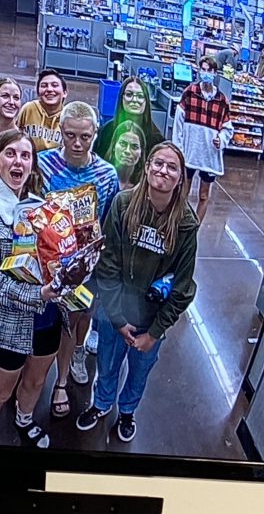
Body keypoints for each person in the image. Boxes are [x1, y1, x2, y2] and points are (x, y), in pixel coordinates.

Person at [76, 142, 199, 442]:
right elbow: (107, 266)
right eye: (158, 163)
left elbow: (182, 288)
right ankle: (102, 403)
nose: (163, 171)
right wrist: (117, 319)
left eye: (172, 167)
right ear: (146, 167)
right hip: (114, 312)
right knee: (106, 363)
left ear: (181, 178)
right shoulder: (123, 203)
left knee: (139, 372)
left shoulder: (186, 223)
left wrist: (154, 333)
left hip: (150, 320)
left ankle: (127, 411)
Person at [0, 129, 63, 447]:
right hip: (5, 324)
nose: (18, 161)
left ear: (32, 165)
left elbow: (51, 258)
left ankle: (24, 419)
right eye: (10, 153)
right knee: (0, 390)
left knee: (35, 382)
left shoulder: (40, 208)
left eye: (25, 155)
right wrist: (37, 294)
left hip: (46, 319)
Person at [36, 101, 119, 419]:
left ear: (96, 134)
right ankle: (33, 377)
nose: (77, 144)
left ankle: (62, 379)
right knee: (41, 323)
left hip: (84, 268)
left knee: (75, 322)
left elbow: (107, 222)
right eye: (70, 135)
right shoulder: (42, 164)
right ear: (60, 132)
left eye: (85, 137)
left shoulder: (106, 174)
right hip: (43, 264)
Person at [172, 55, 235, 223]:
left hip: (209, 154)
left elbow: (228, 128)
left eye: (209, 70)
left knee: (204, 195)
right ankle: (179, 221)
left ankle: (195, 227)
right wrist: (178, 148)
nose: (206, 73)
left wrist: (221, 139)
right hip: (190, 152)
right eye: (203, 70)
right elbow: (178, 122)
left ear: (215, 73)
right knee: (183, 192)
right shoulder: (190, 93)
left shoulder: (222, 100)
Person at [93, 76, 164, 165]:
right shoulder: (107, 130)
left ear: (146, 101)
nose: (134, 100)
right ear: (121, 98)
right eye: (129, 95)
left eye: (140, 96)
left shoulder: (156, 138)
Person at [17, 68, 68, 151]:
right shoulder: (28, 109)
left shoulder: (68, 117)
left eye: (54, 85)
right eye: (44, 86)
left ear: (64, 93)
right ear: (38, 93)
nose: (49, 89)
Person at [107, 121, 146, 190]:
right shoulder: (99, 178)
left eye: (134, 147)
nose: (127, 151)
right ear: (113, 146)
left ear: (141, 153)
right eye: (123, 144)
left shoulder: (144, 186)